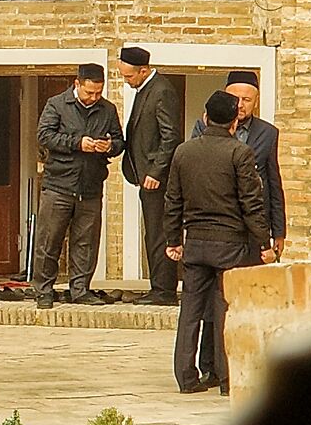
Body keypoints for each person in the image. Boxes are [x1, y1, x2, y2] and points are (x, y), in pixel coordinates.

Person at [163, 90, 272, 393]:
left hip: (195, 242)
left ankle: (186, 377)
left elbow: (173, 201)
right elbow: (252, 204)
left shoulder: (184, 152)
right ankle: (227, 379)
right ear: (234, 122)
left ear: (205, 117)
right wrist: (264, 244)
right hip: (230, 245)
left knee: (190, 311)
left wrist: (173, 239)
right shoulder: (240, 153)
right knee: (226, 310)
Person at [30, 62, 124, 308]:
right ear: (77, 84)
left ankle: (80, 289)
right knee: (50, 240)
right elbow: (44, 136)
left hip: (91, 186)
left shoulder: (107, 109)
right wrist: (77, 143)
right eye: (88, 92)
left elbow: (119, 140)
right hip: (59, 185)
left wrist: (109, 146)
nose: (93, 97)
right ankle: (44, 290)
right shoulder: (57, 104)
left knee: (86, 242)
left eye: (98, 93)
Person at [192, 70, 284, 258]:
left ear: (255, 102)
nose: (240, 105)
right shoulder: (202, 128)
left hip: (254, 225)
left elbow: (273, 182)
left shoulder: (268, 133)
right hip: (217, 224)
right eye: (235, 99)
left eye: (246, 100)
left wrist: (279, 231)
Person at [118, 45, 183, 305]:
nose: (126, 80)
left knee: (159, 233)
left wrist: (156, 170)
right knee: (152, 232)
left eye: (129, 76)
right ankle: (157, 286)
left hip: (158, 179)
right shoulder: (145, 89)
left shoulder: (162, 91)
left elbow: (170, 136)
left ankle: (164, 290)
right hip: (143, 175)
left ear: (143, 70)